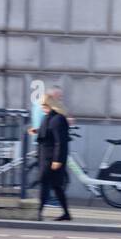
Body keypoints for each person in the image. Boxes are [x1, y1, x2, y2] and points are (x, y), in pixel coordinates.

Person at [36, 93, 71, 221]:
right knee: (56, 186)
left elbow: (60, 142)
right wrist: (36, 131)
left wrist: (57, 160)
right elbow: (46, 132)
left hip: (51, 159)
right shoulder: (48, 117)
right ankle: (66, 213)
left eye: (43, 105)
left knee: (46, 184)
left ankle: (38, 212)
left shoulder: (57, 119)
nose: (41, 108)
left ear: (49, 105)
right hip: (45, 157)